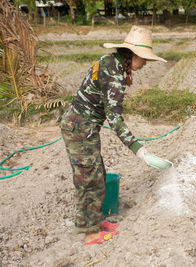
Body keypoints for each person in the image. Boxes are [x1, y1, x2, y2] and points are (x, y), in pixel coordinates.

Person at [59, 26, 167, 245]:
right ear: (133, 55)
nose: (145, 63)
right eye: (144, 59)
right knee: (88, 178)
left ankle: (96, 222)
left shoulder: (111, 62)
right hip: (80, 126)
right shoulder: (114, 75)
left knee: (97, 174)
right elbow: (115, 119)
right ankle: (91, 233)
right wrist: (140, 151)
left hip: (84, 126)